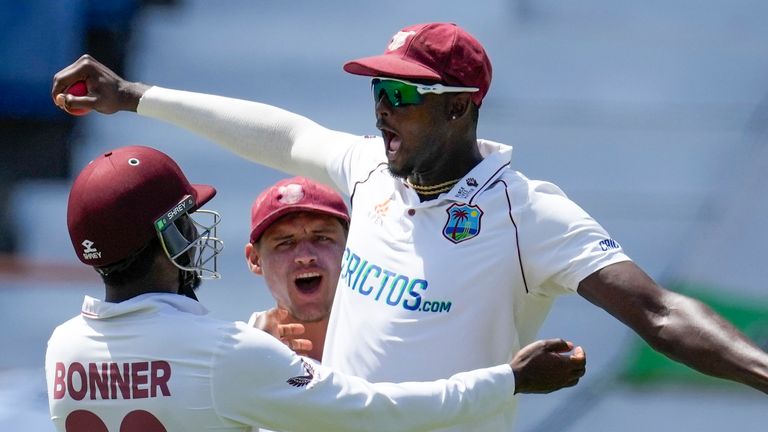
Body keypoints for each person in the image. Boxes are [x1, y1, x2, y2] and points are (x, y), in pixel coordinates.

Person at [52, 21, 768, 430]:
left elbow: (660, 310)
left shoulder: (529, 213)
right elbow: (280, 134)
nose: (381, 110)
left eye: (401, 93)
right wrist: (134, 96)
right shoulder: (370, 170)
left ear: (460, 108)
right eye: (376, 90)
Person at [45, 144, 587, 432]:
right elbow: (378, 413)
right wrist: (508, 380)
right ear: (167, 238)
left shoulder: (62, 350)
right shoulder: (224, 353)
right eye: (187, 221)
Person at [244, 176, 351, 362]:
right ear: (255, 259)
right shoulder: (239, 358)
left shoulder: (398, 336)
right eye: (285, 242)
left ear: (353, 247)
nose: (305, 256)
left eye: (322, 238)